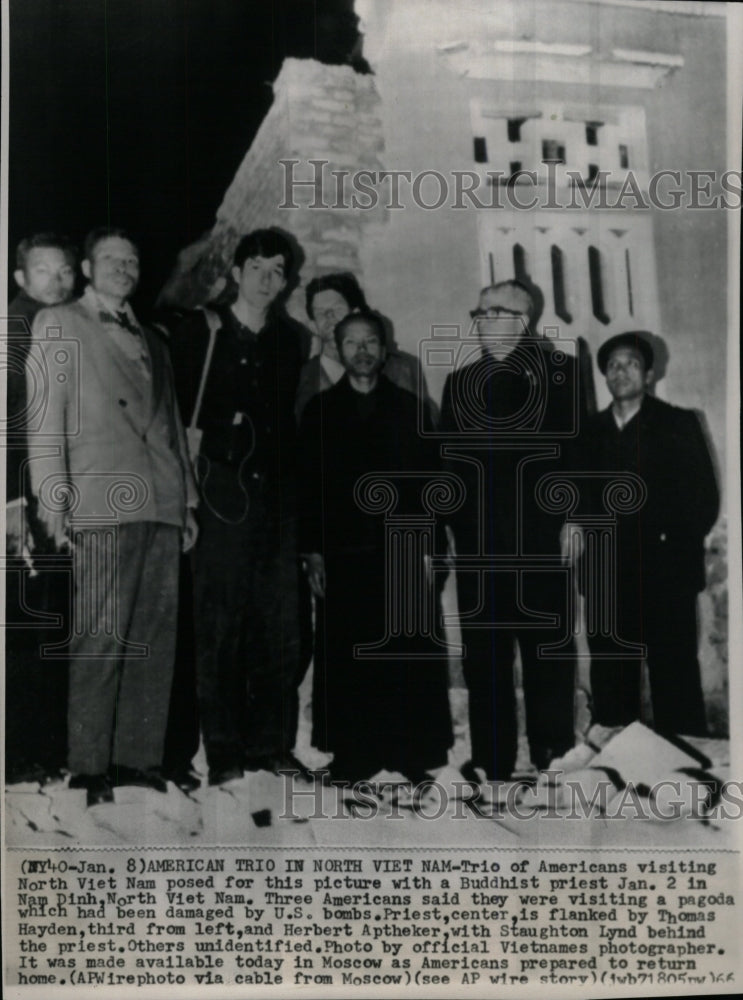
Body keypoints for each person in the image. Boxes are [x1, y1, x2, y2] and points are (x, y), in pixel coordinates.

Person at [26, 227, 198, 806]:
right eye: (110, 258)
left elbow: (172, 429)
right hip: (98, 499)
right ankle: (89, 765)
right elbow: (45, 415)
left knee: (154, 637)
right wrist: (52, 494)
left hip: (162, 503)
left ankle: (137, 759)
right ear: (87, 266)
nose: (124, 267)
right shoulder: (61, 323)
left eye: (132, 258)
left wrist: (188, 503)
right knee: (99, 636)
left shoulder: (155, 339)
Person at [169, 229, 309, 786]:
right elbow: (173, 419)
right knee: (220, 625)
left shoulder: (291, 340)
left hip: (276, 499)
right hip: (219, 491)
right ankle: (225, 752)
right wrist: (187, 493)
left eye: (279, 270)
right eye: (258, 268)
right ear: (236, 272)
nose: (269, 279)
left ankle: (271, 746)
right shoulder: (199, 332)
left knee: (278, 626)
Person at [298, 312, 453, 783]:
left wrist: (431, 548)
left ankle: (409, 753)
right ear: (336, 349)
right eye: (351, 342)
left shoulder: (410, 409)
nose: (362, 350)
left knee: (407, 649)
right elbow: (309, 488)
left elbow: (432, 484)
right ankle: (353, 755)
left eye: (370, 342)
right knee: (349, 653)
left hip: (403, 547)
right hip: (343, 551)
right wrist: (313, 551)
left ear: (384, 349)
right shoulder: (319, 411)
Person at [439, 280, 582, 783]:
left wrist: (577, 519)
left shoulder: (562, 374)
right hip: (479, 549)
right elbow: (449, 468)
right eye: (477, 312)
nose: (480, 321)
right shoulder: (459, 383)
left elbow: (578, 455)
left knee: (547, 655)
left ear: (522, 318)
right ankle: (494, 764)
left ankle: (553, 759)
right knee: (486, 660)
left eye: (491, 312)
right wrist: (449, 535)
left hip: (542, 544)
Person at [581, 331, 719, 737]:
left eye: (632, 364)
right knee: (610, 675)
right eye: (612, 366)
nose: (621, 372)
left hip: (666, 573)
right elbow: (577, 500)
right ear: (605, 376)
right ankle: (614, 767)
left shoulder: (678, 423)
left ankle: (684, 771)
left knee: (674, 674)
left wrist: (669, 545)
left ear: (650, 374)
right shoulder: (589, 433)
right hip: (607, 575)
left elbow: (704, 499)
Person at [6, 234, 77, 784]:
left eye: (65, 271)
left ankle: (45, 748)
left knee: (51, 622)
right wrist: (13, 502)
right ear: (21, 279)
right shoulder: (17, 330)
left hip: (53, 500)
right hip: (22, 505)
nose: (58, 280)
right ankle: (21, 753)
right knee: (27, 624)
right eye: (44, 271)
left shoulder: (64, 326)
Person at [295, 272, 427, 420]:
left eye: (337, 309)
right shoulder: (298, 379)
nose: (330, 317)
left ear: (355, 313)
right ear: (313, 326)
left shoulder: (402, 369)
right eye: (321, 313)